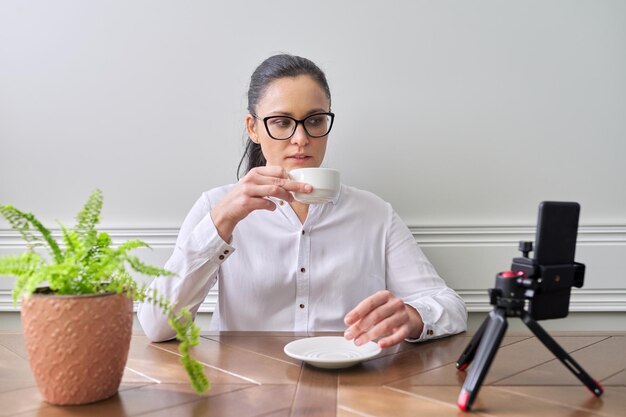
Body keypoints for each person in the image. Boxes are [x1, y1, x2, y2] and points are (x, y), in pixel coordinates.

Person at [137, 54, 467, 348]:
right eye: (282, 122)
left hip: (353, 387)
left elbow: (449, 306)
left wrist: (413, 317)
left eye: (315, 120)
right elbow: (157, 326)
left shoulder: (374, 214)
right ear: (253, 128)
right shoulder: (216, 205)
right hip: (246, 391)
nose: (301, 138)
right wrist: (220, 223)